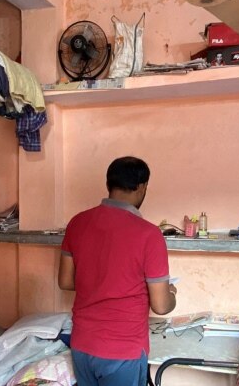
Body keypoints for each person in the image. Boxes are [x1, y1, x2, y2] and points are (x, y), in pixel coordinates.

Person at [59, 156, 177, 386]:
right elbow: (161, 306)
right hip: (122, 351)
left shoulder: (77, 223)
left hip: (82, 346)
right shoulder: (149, 235)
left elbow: (65, 281)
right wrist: (170, 292)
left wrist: (99, 281)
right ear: (142, 187)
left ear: (109, 184)